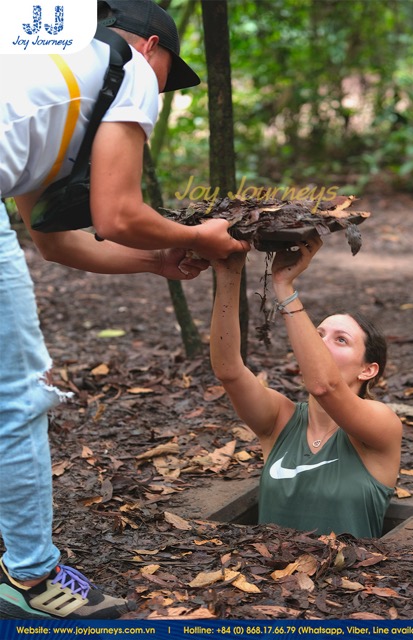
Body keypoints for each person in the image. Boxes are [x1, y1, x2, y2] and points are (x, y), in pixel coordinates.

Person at [0, 0, 247, 620]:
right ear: (149, 48)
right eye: (168, 73)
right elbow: (118, 216)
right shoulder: (130, 69)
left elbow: (52, 240)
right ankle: (30, 577)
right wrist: (199, 238)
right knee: (18, 394)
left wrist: (156, 262)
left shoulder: (40, 72)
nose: (159, 92)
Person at [210, 235, 402, 539]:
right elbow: (229, 370)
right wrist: (228, 273)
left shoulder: (381, 423)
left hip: (347, 583)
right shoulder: (279, 420)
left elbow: (325, 386)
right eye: (319, 334)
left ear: (368, 370)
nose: (321, 343)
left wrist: (284, 287)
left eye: (341, 340)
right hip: (268, 582)